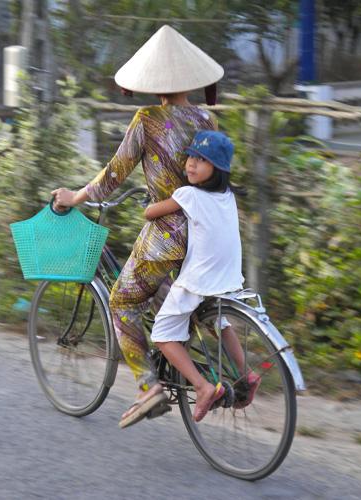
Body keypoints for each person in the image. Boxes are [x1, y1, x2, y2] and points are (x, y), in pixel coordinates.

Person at [50, 25, 225, 427]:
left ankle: (149, 387)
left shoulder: (147, 119)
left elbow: (114, 175)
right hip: (206, 231)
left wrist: (75, 196)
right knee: (180, 299)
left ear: (152, 82)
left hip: (166, 234)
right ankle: (219, 369)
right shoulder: (205, 117)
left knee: (123, 302)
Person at [144, 130, 261, 424]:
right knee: (218, 320)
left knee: (162, 334)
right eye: (191, 157)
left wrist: (149, 201)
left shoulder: (189, 195)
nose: (191, 165)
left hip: (199, 279)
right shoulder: (228, 195)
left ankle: (202, 386)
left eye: (202, 160)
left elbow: (151, 213)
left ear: (217, 168)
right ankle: (247, 372)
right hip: (229, 277)